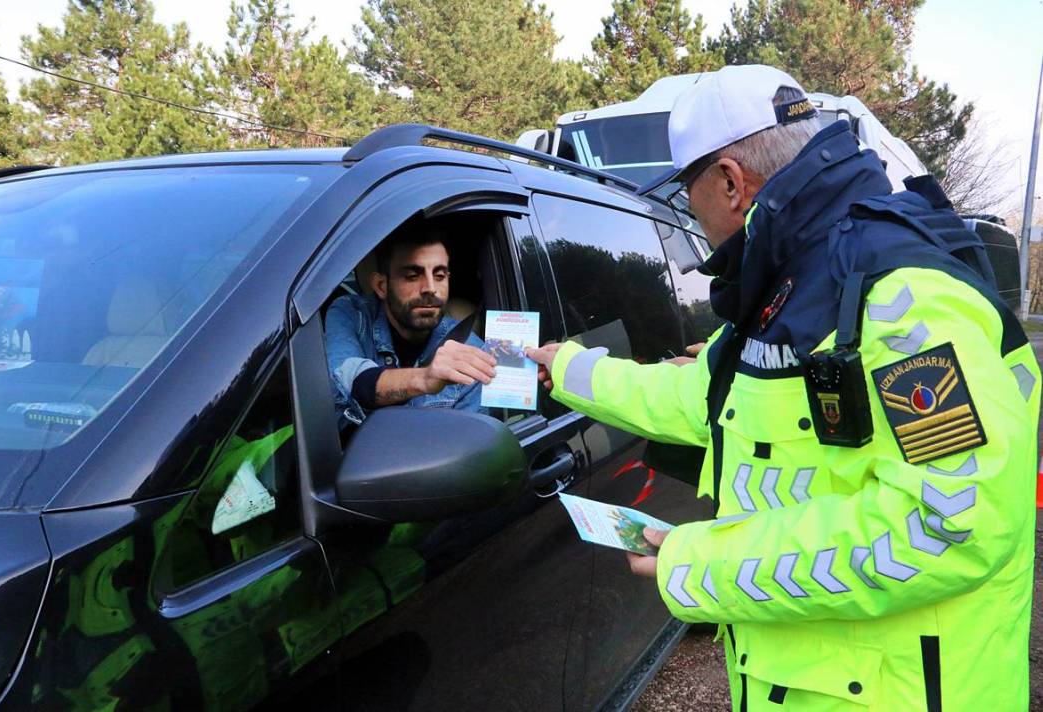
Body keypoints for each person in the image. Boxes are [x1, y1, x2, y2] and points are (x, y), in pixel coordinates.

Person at [528, 64, 1040, 710]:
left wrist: (703, 563)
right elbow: (705, 401)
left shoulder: (903, 298)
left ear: (730, 182)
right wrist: (569, 370)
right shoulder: (794, 286)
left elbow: (950, 521)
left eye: (689, 196)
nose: (692, 219)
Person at [325, 224, 495, 427]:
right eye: (413, 276)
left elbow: (466, 448)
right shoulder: (352, 314)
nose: (431, 289)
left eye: (439, 276)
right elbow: (351, 380)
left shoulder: (472, 355)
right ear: (382, 286)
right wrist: (424, 378)